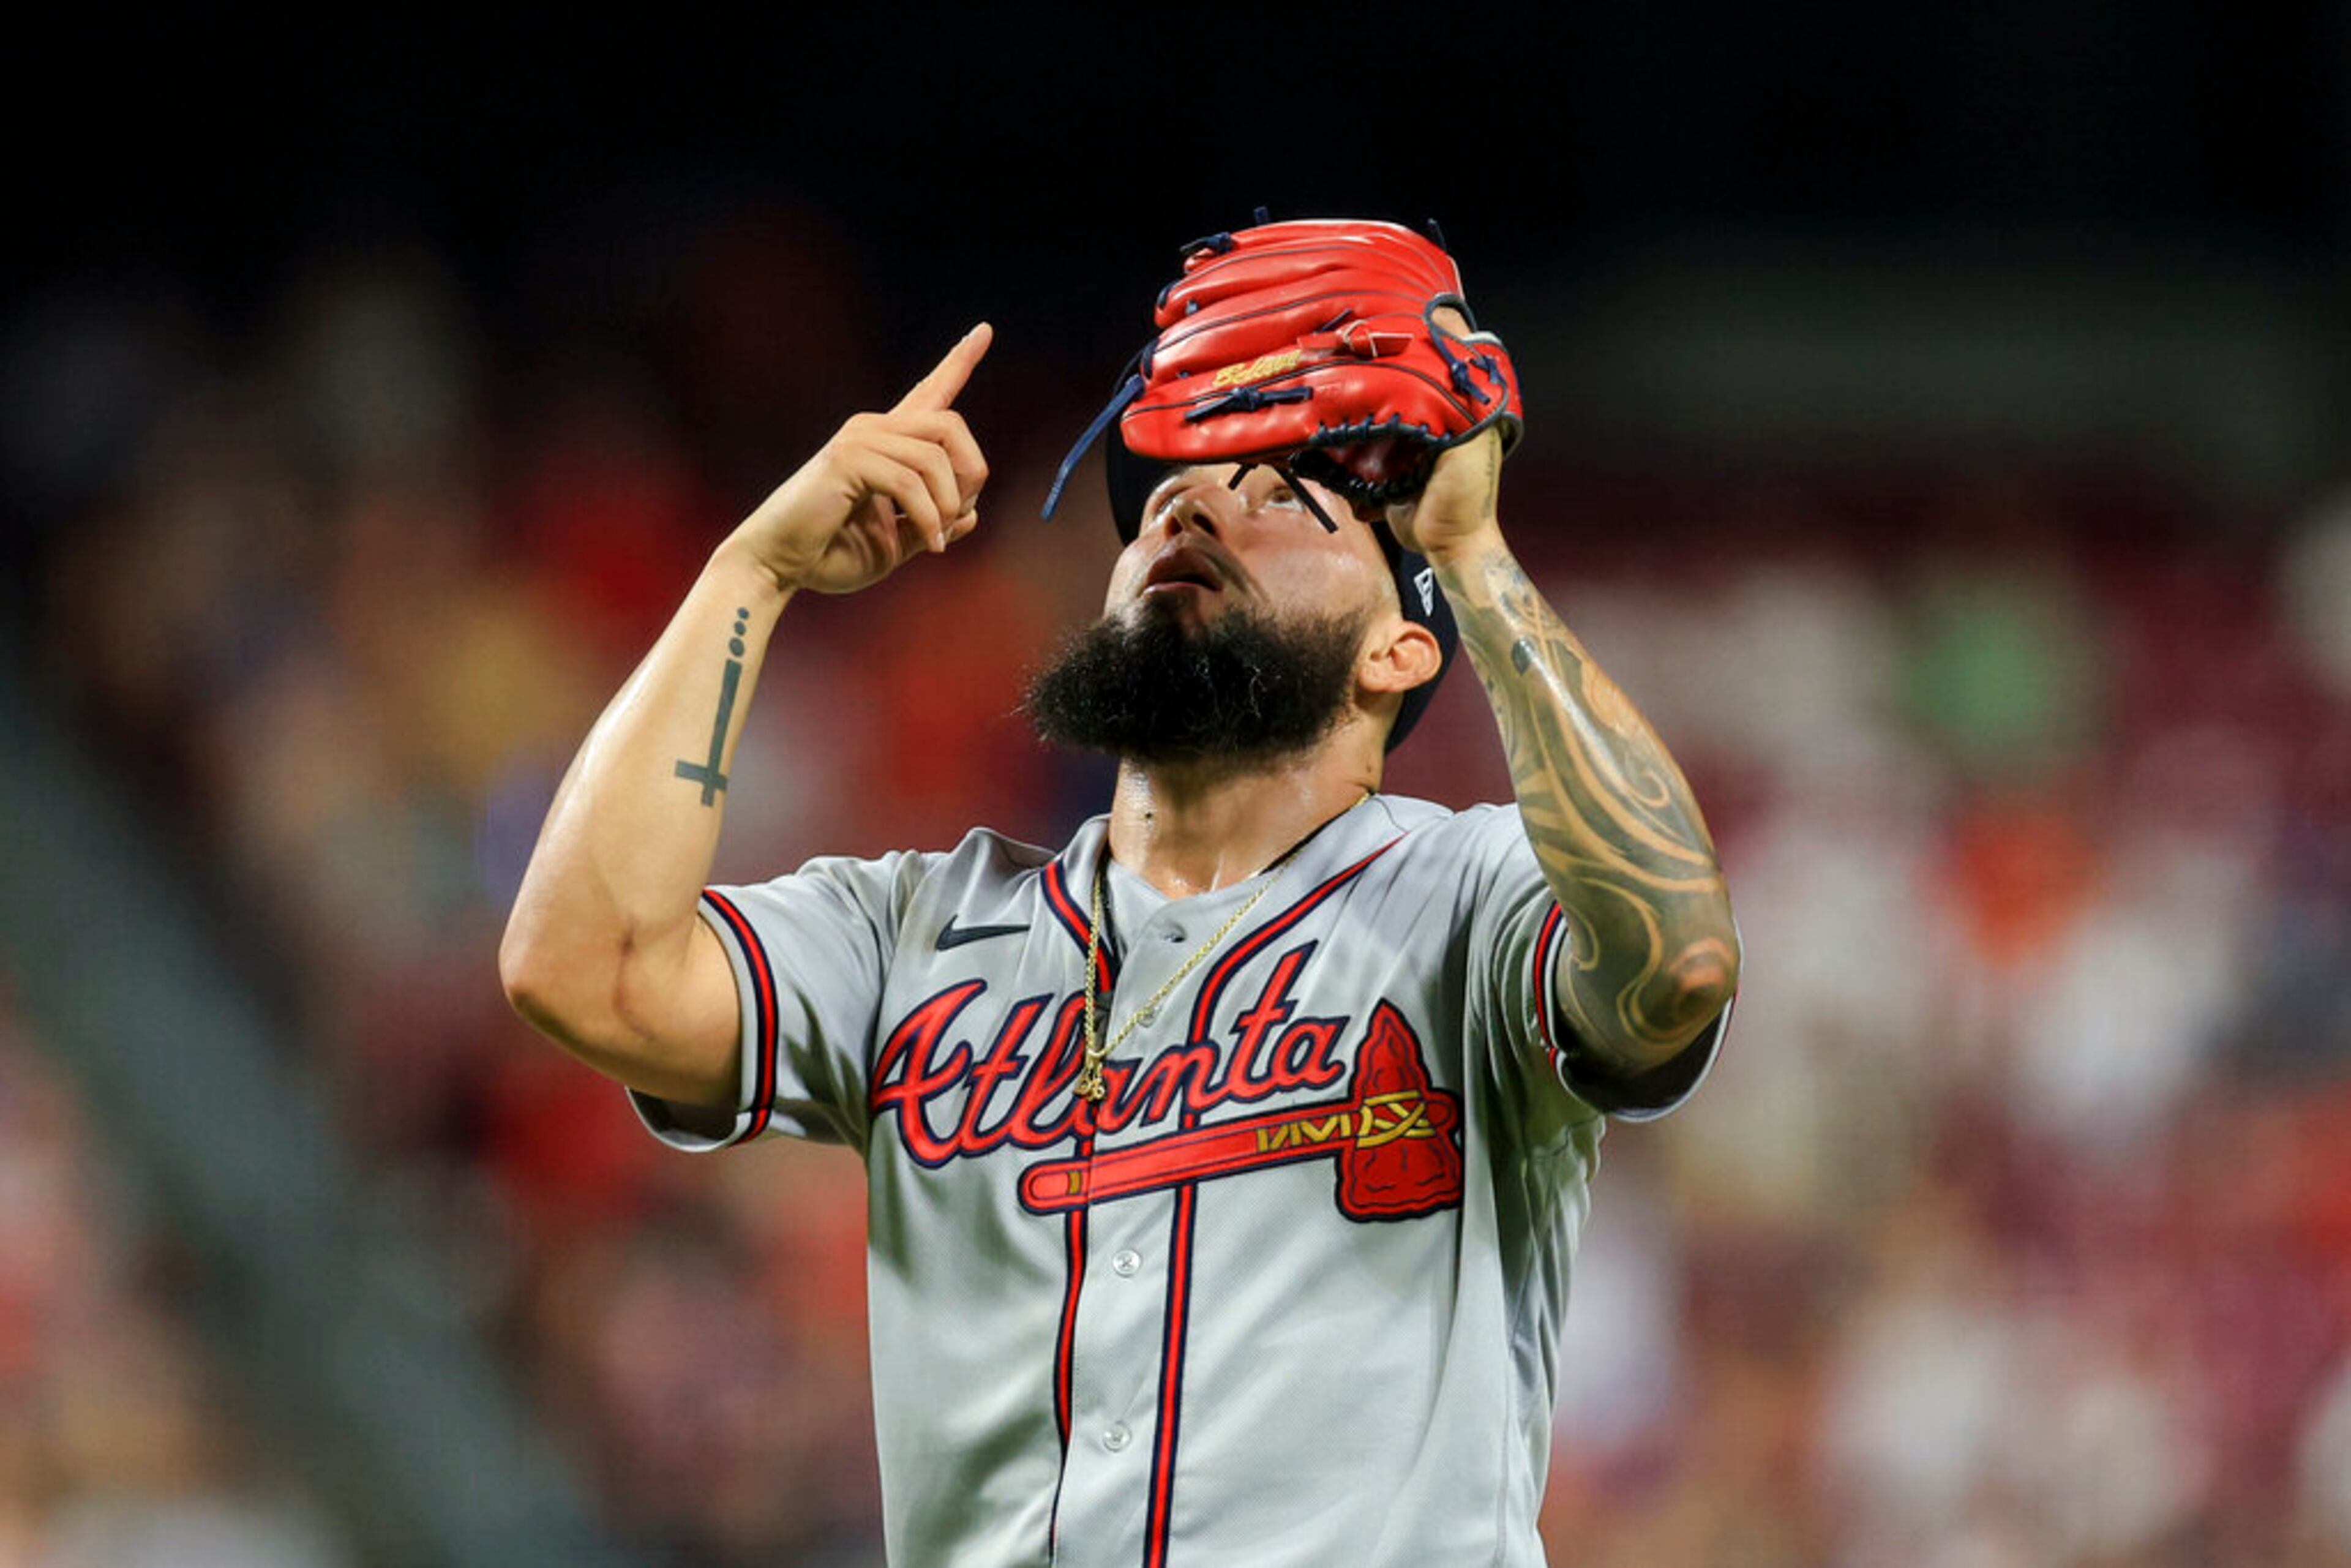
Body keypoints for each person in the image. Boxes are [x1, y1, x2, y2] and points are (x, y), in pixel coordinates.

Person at [501, 296, 1740, 1564]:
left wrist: (1473, 555)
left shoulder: (1471, 901)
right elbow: (585, 969)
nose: (1187, 505)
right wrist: (748, 575)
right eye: (1167, 493)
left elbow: (1677, 960)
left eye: (1276, 492)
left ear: (1399, 650)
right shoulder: (914, 930)